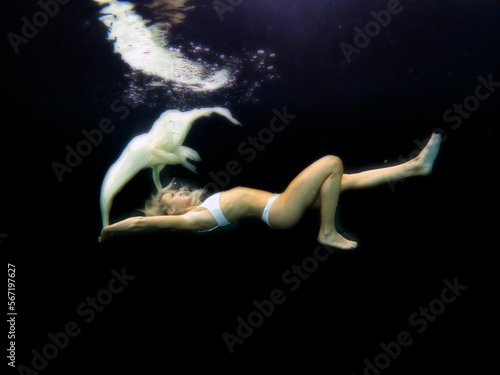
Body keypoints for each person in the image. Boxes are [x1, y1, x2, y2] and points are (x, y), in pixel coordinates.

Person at [99, 133, 442, 249]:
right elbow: (140, 224)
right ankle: (327, 231)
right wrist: (107, 231)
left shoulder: (201, 211)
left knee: (340, 180)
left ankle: (414, 167)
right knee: (331, 162)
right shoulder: (190, 222)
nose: (178, 189)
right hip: (279, 212)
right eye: (172, 194)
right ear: (170, 210)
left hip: (280, 204)